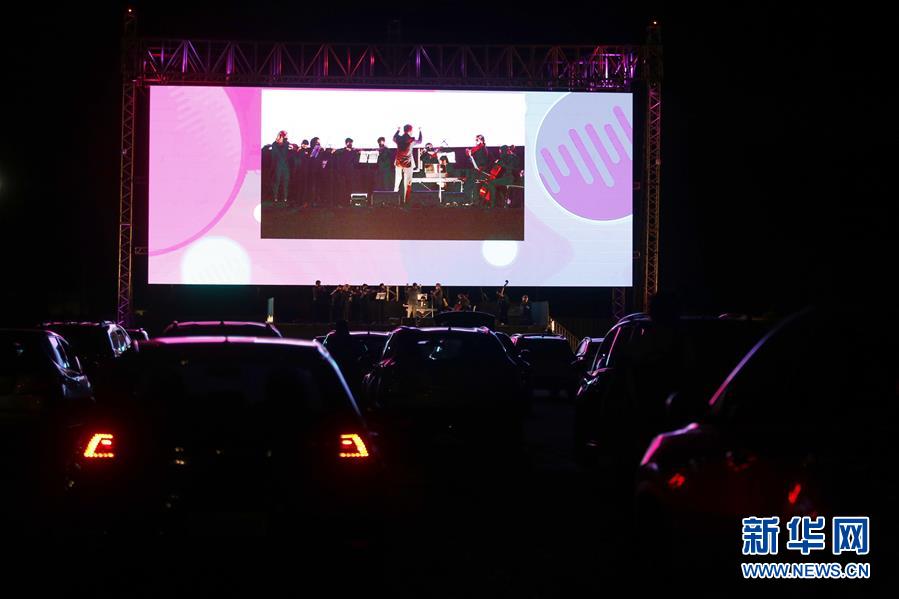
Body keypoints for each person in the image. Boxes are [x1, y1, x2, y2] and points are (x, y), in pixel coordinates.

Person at [393, 124, 423, 205]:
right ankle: (406, 201)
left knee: (397, 181)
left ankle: (394, 199)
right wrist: (420, 131)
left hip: (399, 162)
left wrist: (397, 131)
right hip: (407, 163)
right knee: (408, 182)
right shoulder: (411, 139)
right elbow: (420, 141)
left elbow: (394, 138)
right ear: (410, 131)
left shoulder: (399, 138)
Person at [263, 130, 294, 202]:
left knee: (284, 182)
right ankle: (276, 197)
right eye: (286, 135)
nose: (287, 136)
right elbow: (275, 156)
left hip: (283, 166)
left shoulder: (285, 144)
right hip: (279, 166)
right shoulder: (276, 144)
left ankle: (283, 197)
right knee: (277, 182)